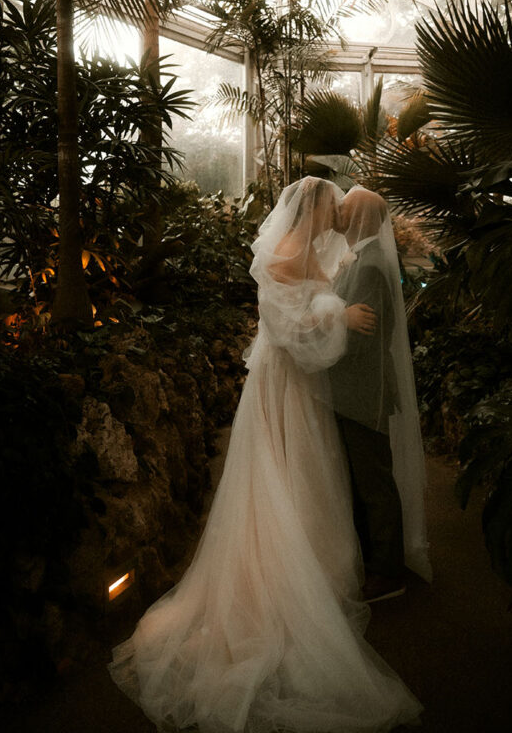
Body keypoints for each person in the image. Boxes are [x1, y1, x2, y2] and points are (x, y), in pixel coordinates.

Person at [109, 176, 422, 733]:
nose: (337, 217)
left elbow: (326, 306)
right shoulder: (279, 257)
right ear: (313, 207)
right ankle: (292, 578)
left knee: (316, 472)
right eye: (331, 208)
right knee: (285, 471)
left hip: (310, 387)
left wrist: (337, 311)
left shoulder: (319, 251)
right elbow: (287, 331)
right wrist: (338, 317)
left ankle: (325, 566)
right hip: (285, 386)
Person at [327, 187, 431, 602]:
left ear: (363, 219)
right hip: (349, 390)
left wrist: (313, 341)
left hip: (363, 390)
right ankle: (373, 560)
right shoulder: (356, 257)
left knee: (374, 482)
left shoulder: (368, 265)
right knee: (358, 480)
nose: (337, 213)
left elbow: (360, 340)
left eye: (345, 209)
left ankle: (388, 572)